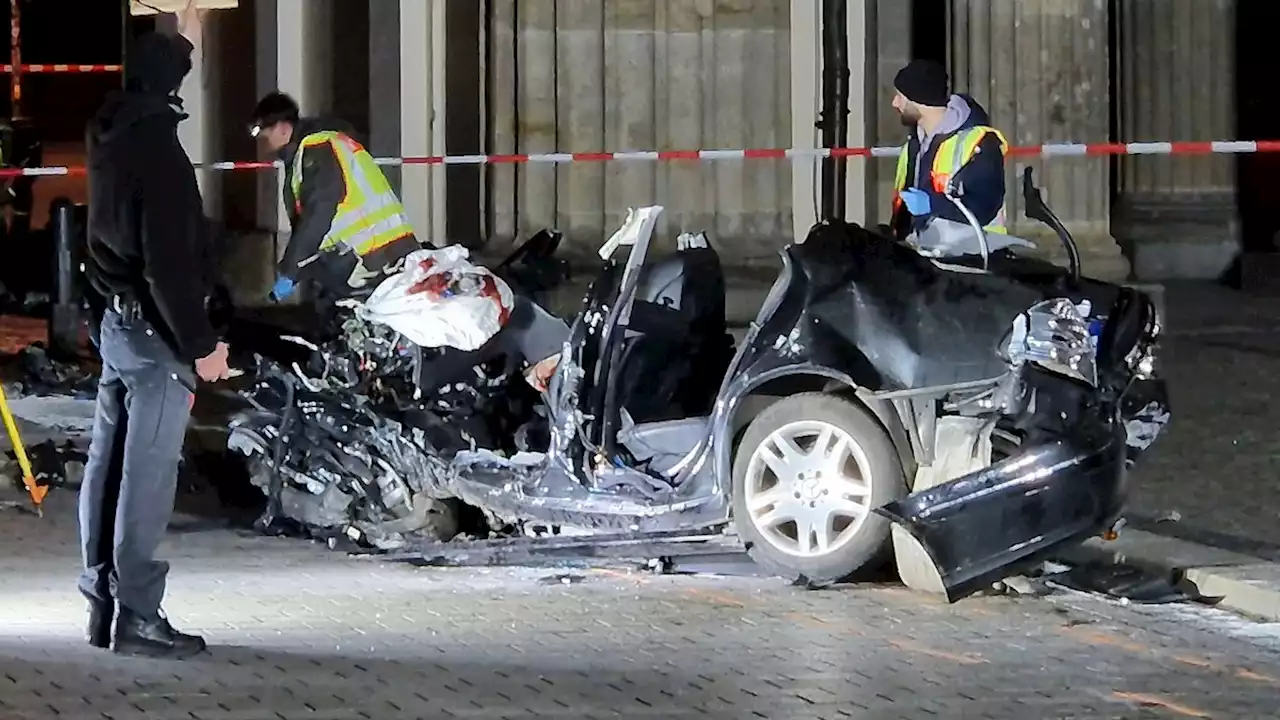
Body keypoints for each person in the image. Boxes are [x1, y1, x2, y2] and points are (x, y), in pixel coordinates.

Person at [79, 2, 229, 660]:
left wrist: (183, 29)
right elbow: (168, 265)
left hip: (117, 323)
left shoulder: (112, 133)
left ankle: (102, 601)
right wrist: (202, 347)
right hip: (156, 338)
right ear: (170, 89)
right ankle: (139, 614)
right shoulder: (160, 153)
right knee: (147, 476)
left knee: (106, 467)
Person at [248, 91, 422, 304]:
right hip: (378, 256)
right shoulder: (316, 148)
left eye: (265, 135)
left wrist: (290, 270)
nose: (264, 144)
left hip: (374, 259)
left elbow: (319, 213)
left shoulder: (318, 149)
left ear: (283, 128)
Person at [888, 59, 1009, 242]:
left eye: (900, 97)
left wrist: (932, 204)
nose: (894, 103)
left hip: (975, 257)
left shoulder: (979, 143)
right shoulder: (914, 145)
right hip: (925, 255)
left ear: (919, 100)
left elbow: (986, 205)